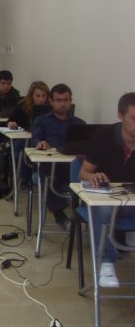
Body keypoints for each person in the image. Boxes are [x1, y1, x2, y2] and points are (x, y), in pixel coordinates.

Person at [78, 92, 135, 287]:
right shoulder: (104, 136)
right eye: (133, 118)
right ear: (120, 115)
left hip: (131, 202)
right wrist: (93, 177)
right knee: (102, 209)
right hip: (106, 199)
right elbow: (83, 173)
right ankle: (107, 263)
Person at [30, 83, 85, 230]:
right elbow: (35, 139)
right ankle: (60, 215)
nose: (62, 104)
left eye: (65, 100)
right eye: (58, 100)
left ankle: (83, 216)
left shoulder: (79, 123)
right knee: (45, 172)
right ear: (51, 101)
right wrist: (40, 143)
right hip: (51, 168)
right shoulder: (41, 120)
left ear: (71, 101)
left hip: (72, 168)